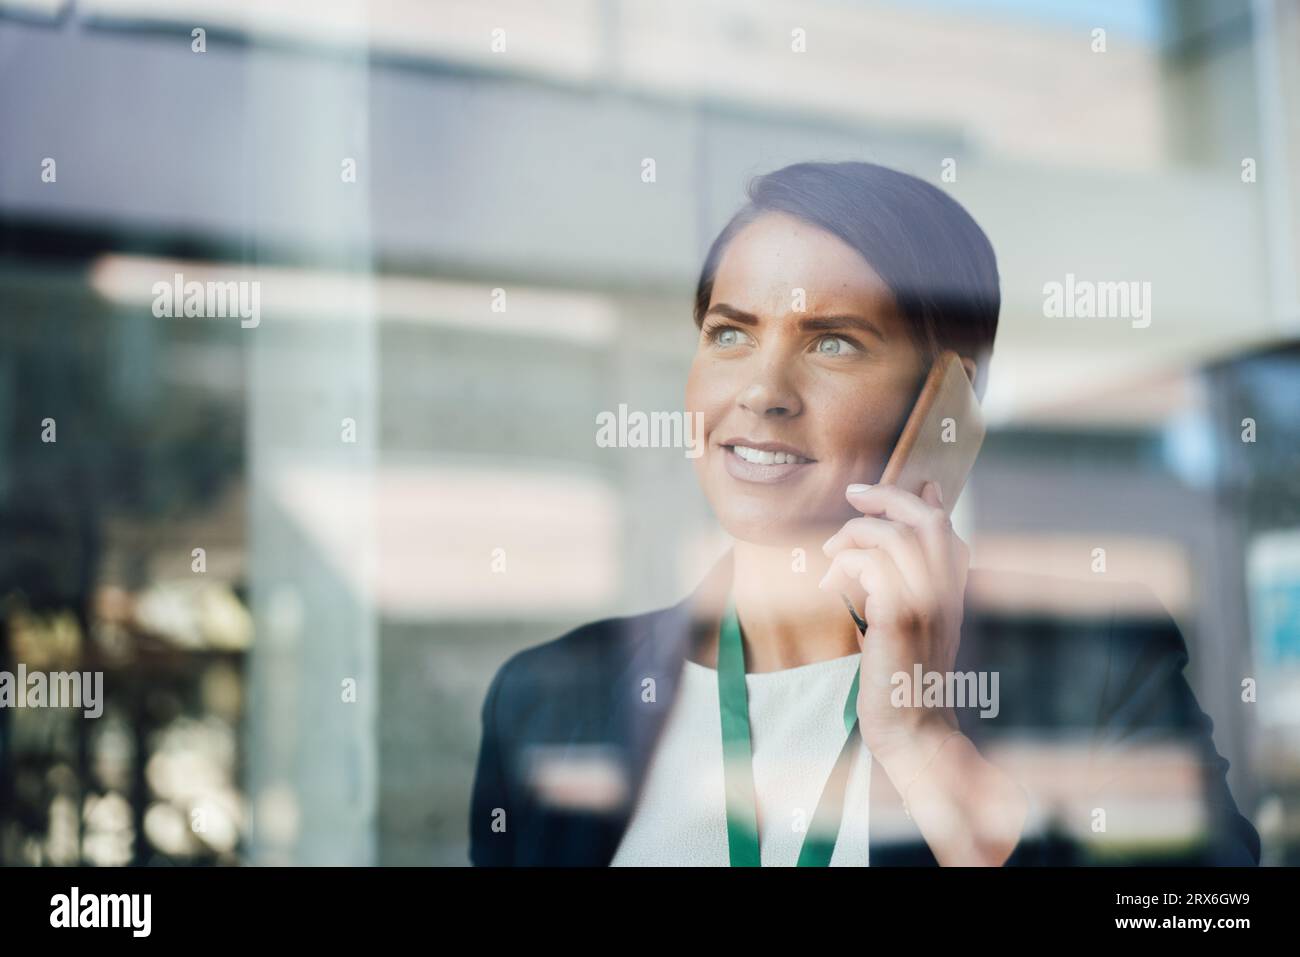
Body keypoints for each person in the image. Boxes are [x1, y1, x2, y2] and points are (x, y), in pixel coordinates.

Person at [469, 161, 1261, 867]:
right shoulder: (549, 695)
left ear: (947, 400)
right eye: (730, 332)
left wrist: (924, 745)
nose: (763, 390)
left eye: (834, 343)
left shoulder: (1094, 669)